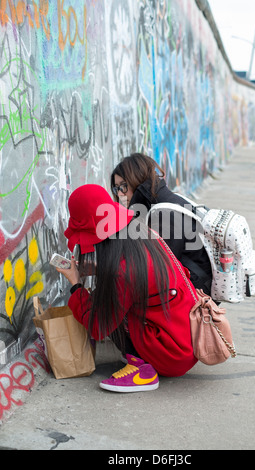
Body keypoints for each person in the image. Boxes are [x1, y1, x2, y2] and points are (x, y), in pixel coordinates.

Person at [57, 184, 198, 393]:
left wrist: (76, 286)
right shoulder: (139, 236)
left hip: (172, 354)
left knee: (107, 305)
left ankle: (144, 370)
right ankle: (142, 351)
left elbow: (98, 326)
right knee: (111, 297)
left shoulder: (124, 271)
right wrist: (99, 271)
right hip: (182, 337)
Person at [110, 153, 212, 295]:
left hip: (197, 291)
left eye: (123, 186)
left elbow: (158, 269)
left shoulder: (163, 212)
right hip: (195, 281)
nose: (120, 194)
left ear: (137, 180)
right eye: (116, 188)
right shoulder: (161, 201)